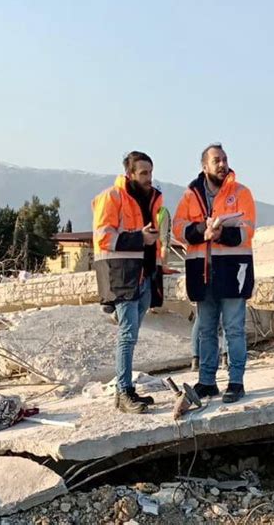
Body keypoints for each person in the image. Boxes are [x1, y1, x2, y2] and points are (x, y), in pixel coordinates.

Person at [173, 143, 256, 403]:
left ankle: (236, 381)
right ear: (204, 166)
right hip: (202, 273)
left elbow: (247, 230)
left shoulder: (241, 192)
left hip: (233, 271)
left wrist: (221, 234)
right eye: (216, 160)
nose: (222, 164)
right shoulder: (190, 195)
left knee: (233, 329)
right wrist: (201, 231)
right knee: (207, 329)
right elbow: (178, 228)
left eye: (224, 159)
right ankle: (207, 382)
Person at [92, 151, 163, 414]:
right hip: (121, 276)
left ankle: (127, 391)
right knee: (127, 335)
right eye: (143, 173)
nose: (148, 178)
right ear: (129, 174)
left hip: (144, 275)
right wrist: (139, 238)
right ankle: (123, 392)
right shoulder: (112, 197)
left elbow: (153, 239)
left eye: (150, 172)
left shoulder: (151, 199)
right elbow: (103, 237)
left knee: (131, 336)